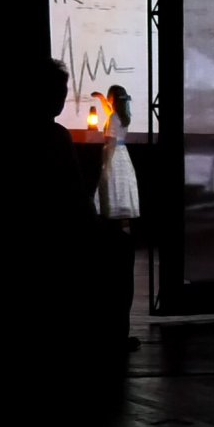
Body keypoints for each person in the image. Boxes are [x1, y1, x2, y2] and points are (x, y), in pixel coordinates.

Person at [91, 85, 141, 351]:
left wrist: (106, 168)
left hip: (115, 161)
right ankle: (124, 233)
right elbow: (111, 112)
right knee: (122, 207)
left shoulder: (113, 118)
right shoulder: (122, 115)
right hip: (125, 160)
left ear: (113, 100)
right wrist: (102, 99)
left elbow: (109, 144)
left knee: (112, 199)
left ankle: (116, 236)